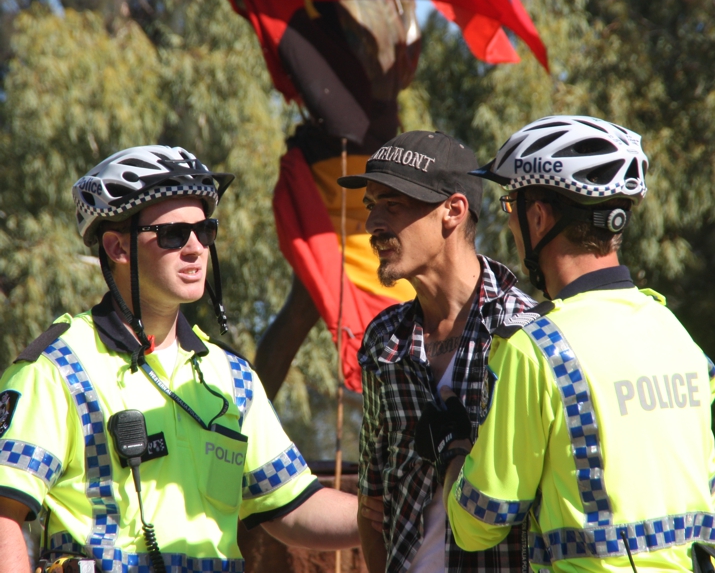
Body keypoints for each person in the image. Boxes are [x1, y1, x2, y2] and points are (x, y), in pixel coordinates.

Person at [0, 145, 359, 573]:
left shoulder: (232, 377)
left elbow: (294, 507)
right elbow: (4, 517)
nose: (195, 248)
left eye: (205, 231)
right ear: (117, 247)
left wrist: (397, 510)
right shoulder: (57, 367)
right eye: (173, 234)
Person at [427, 115, 715, 571]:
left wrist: (455, 449)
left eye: (511, 207)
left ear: (538, 215)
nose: (513, 226)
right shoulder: (679, 337)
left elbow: (479, 524)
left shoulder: (536, 349)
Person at [336, 130, 536, 573]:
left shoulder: (527, 332)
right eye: (372, 206)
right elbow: (371, 504)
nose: (372, 225)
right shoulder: (382, 340)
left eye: (393, 204)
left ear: (453, 210)